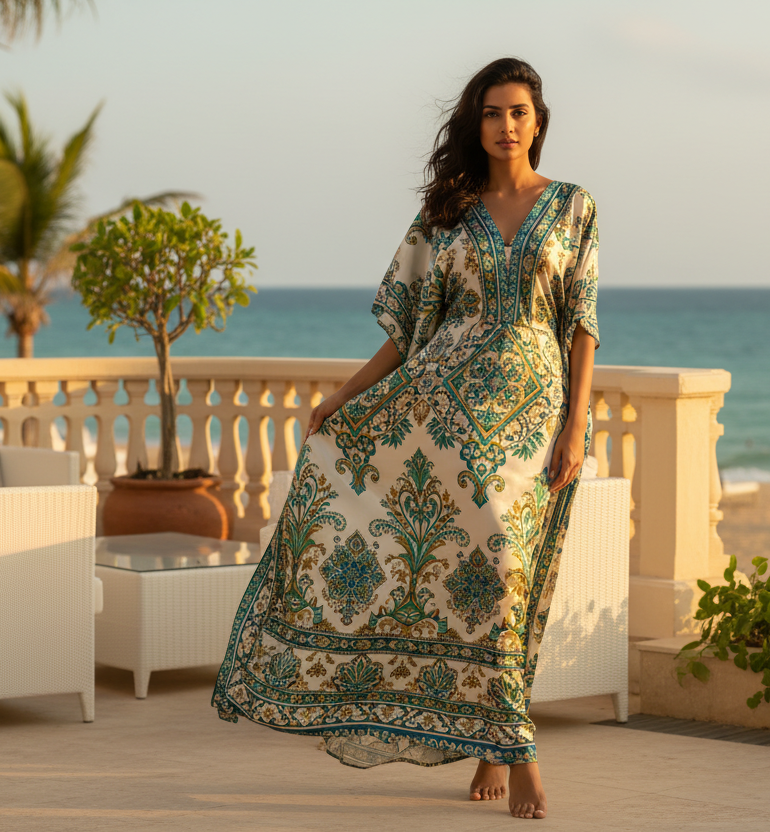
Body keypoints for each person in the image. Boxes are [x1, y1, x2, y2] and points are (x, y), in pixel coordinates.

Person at [211, 57, 598, 821]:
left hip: (528, 404)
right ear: (475, 124)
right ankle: (511, 743)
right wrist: (346, 396)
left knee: (507, 565)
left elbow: (581, 323)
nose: (506, 125)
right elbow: (403, 327)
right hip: (441, 404)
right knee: (463, 569)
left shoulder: (574, 207)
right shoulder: (446, 212)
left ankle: (500, 742)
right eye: (492, 113)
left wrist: (576, 425)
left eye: (519, 112)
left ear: (539, 122)